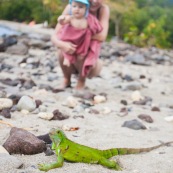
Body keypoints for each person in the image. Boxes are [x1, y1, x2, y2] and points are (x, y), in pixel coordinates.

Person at [51, 0, 110, 90]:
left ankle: (81, 81)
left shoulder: (103, 9)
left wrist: (80, 35)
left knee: (87, 57)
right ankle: (66, 79)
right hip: (70, 54)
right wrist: (62, 44)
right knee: (62, 50)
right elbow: (55, 34)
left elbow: (102, 36)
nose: (94, 1)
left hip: (86, 55)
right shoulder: (73, 6)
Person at [57, 0, 103, 77]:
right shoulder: (71, 18)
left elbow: (97, 28)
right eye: (74, 7)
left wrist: (93, 29)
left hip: (82, 42)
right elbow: (62, 22)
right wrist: (61, 19)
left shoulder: (88, 19)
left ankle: (82, 79)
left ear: (85, 9)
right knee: (66, 50)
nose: (77, 9)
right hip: (71, 40)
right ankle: (67, 74)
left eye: (80, 7)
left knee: (82, 55)